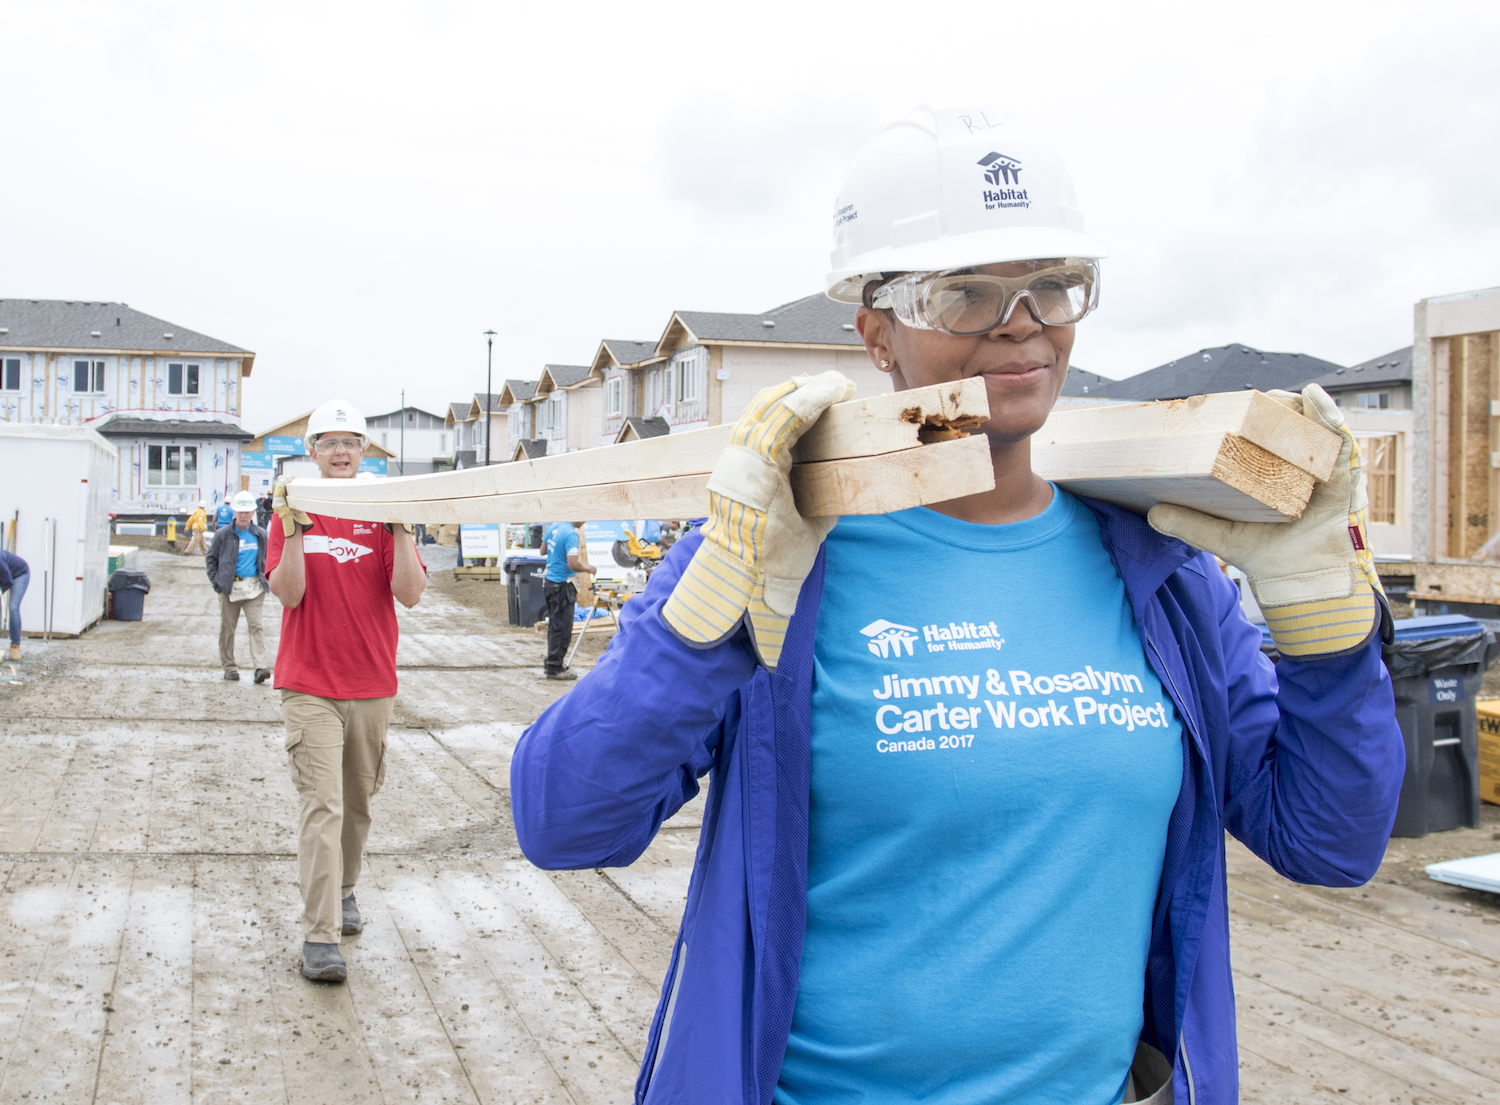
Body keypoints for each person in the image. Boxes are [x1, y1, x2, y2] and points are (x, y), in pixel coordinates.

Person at [510, 106, 1405, 1105]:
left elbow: (1329, 839)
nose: (1019, 323)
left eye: (1051, 286)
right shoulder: (780, 553)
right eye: (963, 294)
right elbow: (566, 819)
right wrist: (718, 598)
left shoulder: (1162, 573)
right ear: (874, 331)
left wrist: (1321, 615)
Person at [267, 399, 426, 983]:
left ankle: (347, 891)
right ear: (311, 452)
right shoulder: (293, 511)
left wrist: (402, 530)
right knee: (323, 806)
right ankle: (319, 935)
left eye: (351, 442)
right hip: (309, 682)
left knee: (357, 806)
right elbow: (288, 595)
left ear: (364, 453)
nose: (340, 451)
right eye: (329, 442)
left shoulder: (381, 513)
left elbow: (409, 594)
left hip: (372, 682)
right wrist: (291, 532)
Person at [206, 490, 271, 683]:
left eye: (247, 512)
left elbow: (267, 558)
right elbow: (211, 559)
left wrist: (266, 579)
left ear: (253, 513)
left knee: (256, 626)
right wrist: (218, 583)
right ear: (234, 511)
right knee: (228, 628)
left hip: (254, 588)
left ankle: (260, 666)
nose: (243, 516)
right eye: (240, 512)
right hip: (230, 589)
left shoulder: (260, 535)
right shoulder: (223, 535)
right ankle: (230, 667)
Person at [540, 520, 596, 681]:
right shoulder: (571, 534)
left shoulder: (554, 526)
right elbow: (572, 564)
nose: (584, 521)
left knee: (554, 624)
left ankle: (551, 660)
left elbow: (543, 550)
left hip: (549, 580)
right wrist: (588, 568)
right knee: (563, 627)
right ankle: (555, 666)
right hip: (562, 584)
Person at [0, 549, 29, 662]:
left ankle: (15, 646)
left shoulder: (0, 561)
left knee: (13, 607)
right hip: (3, 576)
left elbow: (7, 580)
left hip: (19, 574)